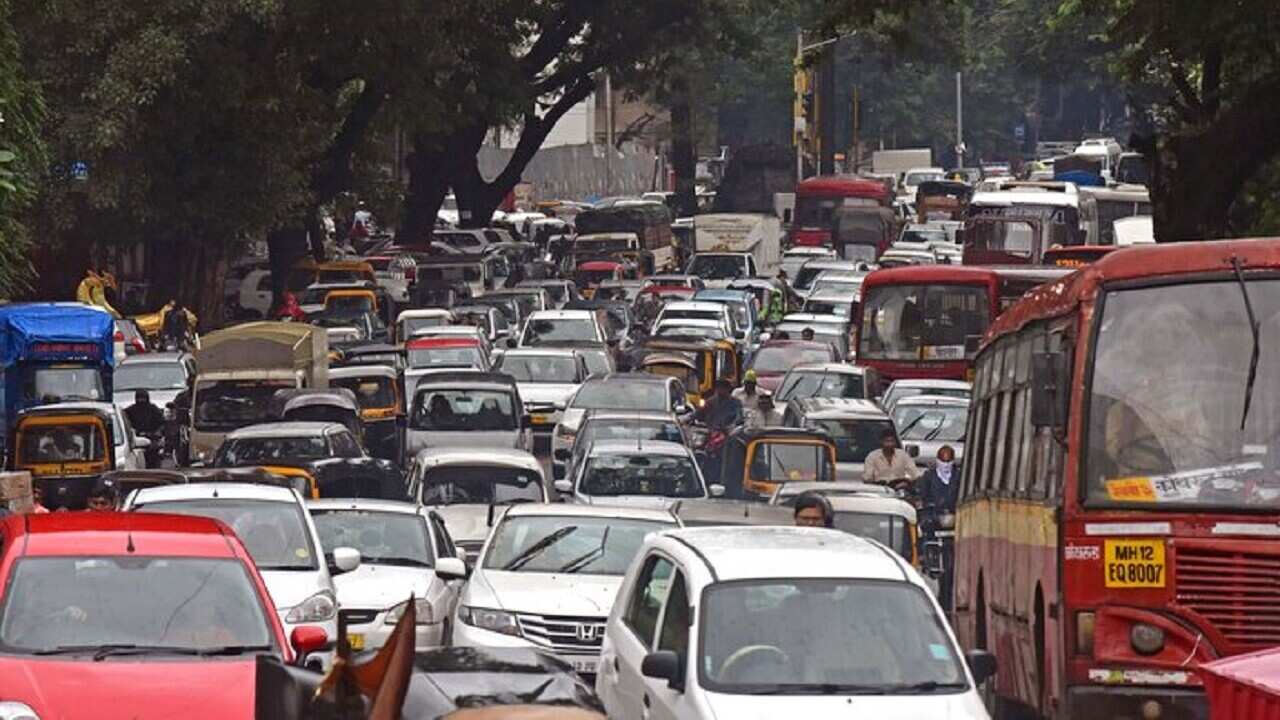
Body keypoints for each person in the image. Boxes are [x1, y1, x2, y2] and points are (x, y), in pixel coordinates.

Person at [915, 445, 960, 513]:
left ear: (953, 461)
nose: (946, 465)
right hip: (933, 514)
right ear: (937, 460)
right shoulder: (928, 477)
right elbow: (921, 496)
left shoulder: (959, 477)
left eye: (948, 461)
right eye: (943, 461)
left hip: (956, 513)